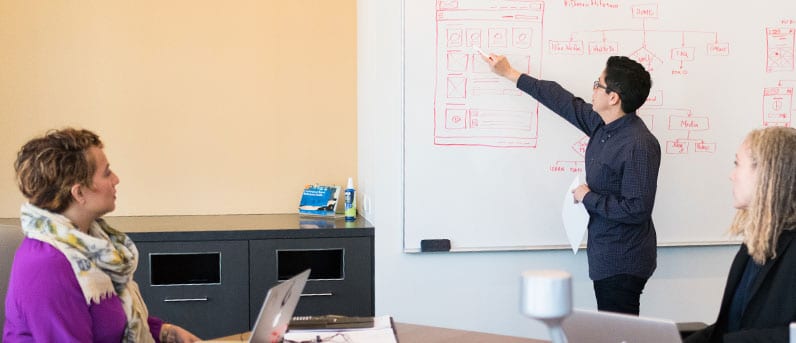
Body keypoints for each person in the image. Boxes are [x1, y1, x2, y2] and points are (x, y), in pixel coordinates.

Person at [484, 54, 661, 315]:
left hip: (623, 260)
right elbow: (561, 101)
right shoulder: (603, 126)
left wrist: (588, 197)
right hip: (606, 254)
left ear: (613, 97)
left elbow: (637, 209)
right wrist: (510, 73)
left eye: (597, 84)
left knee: (619, 333)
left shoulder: (639, 143)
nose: (593, 89)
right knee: (613, 330)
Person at [3, 128, 200, 342]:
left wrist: (164, 332)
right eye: (106, 173)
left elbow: (116, 320)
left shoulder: (93, 245)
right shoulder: (46, 265)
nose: (116, 179)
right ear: (79, 193)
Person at [685, 126, 796, 343]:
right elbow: (728, 328)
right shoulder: (756, 244)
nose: (731, 175)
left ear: (767, 174)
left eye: (737, 164)